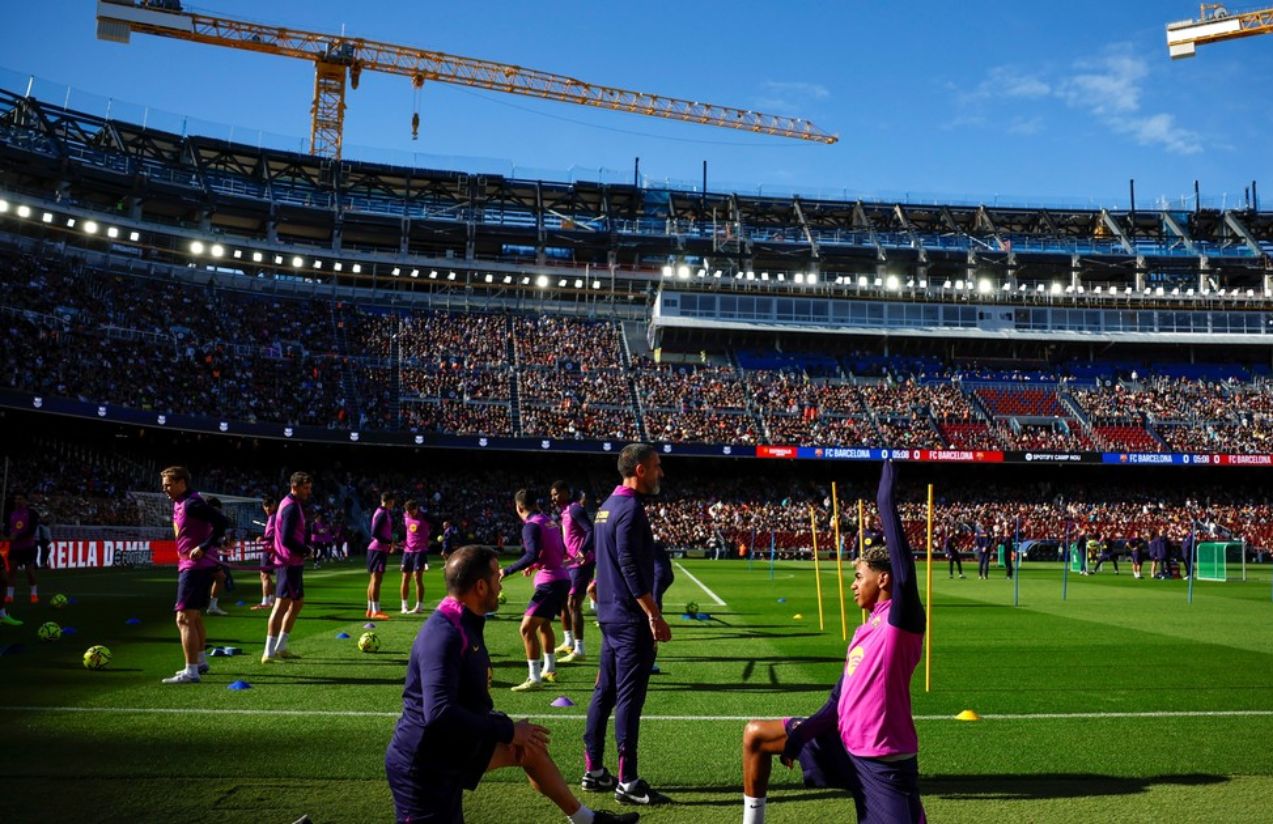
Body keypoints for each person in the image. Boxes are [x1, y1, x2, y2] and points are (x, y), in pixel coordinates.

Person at [384, 545, 638, 824]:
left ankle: (586, 821)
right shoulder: (444, 635)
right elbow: (439, 713)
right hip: (424, 765)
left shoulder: (465, 621)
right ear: (480, 587)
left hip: (452, 745)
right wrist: (506, 730)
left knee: (530, 748)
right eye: (496, 577)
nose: (500, 582)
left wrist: (508, 729)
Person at [739, 461, 926, 824]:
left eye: (859, 577)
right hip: (842, 745)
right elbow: (838, 701)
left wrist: (885, 497)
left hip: (882, 765)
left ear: (884, 578)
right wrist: (801, 735)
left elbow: (905, 574)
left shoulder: (901, 622)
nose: (853, 585)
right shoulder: (863, 631)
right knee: (756, 736)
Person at [582, 443, 673, 807]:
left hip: (608, 615)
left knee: (604, 693)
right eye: (656, 466)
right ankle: (628, 781)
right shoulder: (632, 510)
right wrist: (654, 614)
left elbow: (608, 562)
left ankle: (593, 771)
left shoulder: (606, 507)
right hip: (629, 620)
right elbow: (631, 568)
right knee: (628, 701)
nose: (660, 473)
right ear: (639, 470)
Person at [160, 467, 229, 685]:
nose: (165, 489)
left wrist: (204, 545)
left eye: (168, 484)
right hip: (194, 564)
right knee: (195, 616)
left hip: (195, 566)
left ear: (181, 482)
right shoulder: (183, 502)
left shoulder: (192, 502)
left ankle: (191, 672)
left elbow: (222, 522)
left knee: (184, 618)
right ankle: (199, 662)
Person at [502, 489, 571, 692]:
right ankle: (549, 669)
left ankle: (534, 678)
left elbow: (532, 554)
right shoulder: (548, 521)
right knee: (544, 625)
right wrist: (534, 566)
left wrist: (507, 570)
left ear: (519, 507)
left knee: (526, 628)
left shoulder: (530, 526)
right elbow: (557, 551)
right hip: (561, 578)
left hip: (551, 582)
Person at [262, 471, 312, 664]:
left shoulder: (293, 504)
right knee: (281, 604)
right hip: (288, 562)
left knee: (297, 603)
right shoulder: (290, 507)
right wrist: (305, 549)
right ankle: (268, 651)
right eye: (306, 488)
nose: (308, 492)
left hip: (292, 562)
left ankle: (281, 646)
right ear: (295, 487)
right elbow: (286, 538)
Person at [551, 480, 594, 664]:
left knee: (573, 604)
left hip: (581, 563)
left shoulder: (575, 509)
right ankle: (569, 642)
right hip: (570, 563)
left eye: (556, 493)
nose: (553, 498)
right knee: (564, 602)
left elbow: (591, 530)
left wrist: (583, 550)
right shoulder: (565, 512)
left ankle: (580, 649)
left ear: (567, 492)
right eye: (552, 495)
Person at [4, 494, 40, 604]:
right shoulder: (11, 514)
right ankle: (9, 596)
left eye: (20, 499)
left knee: (29, 572)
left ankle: (34, 594)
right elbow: (6, 529)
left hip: (28, 547)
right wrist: (8, 535)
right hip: (15, 548)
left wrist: (17, 536)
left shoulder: (32, 513)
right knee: (12, 571)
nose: (17, 501)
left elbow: (31, 530)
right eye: (16, 498)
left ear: (26, 500)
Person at [366, 492, 397, 621]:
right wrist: (389, 542)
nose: (393, 505)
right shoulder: (383, 513)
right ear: (389, 501)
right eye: (393, 502)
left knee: (373, 580)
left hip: (377, 549)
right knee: (376, 580)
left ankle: (370, 609)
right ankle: (375, 610)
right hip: (378, 549)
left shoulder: (383, 512)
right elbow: (375, 533)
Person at [400, 499, 430, 614]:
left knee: (417, 578)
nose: (409, 513)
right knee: (405, 578)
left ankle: (419, 606)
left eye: (411, 511)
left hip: (420, 551)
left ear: (416, 508)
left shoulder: (425, 517)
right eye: (407, 511)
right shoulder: (405, 516)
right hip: (407, 551)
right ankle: (404, 605)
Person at [251, 496, 278, 611]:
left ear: (274, 505)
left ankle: (265, 602)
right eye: (265, 506)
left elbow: (275, 535)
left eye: (269, 505)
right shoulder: (272, 517)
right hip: (270, 549)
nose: (267, 508)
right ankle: (271, 599)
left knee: (264, 575)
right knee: (265, 575)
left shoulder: (274, 518)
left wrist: (262, 538)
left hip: (269, 549)